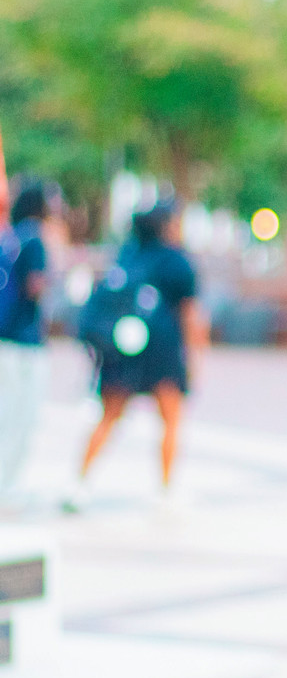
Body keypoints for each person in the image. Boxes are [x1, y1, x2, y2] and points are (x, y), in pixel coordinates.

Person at [68, 200, 205, 507]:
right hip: (163, 350)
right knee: (170, 418)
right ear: (167, 225)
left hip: (123, 350)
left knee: (109, 416)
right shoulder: (177, 261)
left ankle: (80, 483)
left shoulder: (127, 256)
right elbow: (190, 314)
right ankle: (167, 490)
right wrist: (195, 357)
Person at [0, 179, 56, 503]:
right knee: (22, 416)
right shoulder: (36, 240)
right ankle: (8, 485)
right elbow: (36, 286)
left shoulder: (11, 237)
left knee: (6, 412)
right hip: (24, 341)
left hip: (5, 336)